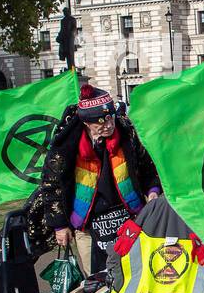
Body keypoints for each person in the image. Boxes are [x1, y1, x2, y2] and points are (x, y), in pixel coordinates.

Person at [41, 85, 161, 274]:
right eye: (101, 122)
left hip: (129, 220)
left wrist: (152, 192)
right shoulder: (66, 145)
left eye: (110, 118)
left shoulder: (126, 133)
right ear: (87, 123)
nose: (108, 125)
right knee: (98, 282)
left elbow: (147, 166)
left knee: (137, 274)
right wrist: (60, 225)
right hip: (88, 226)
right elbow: (52, 184)